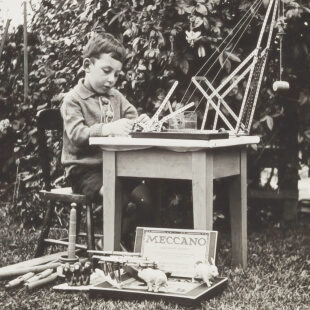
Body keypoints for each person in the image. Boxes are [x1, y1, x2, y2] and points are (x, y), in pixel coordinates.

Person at [60, 32, 152, 245]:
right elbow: (76, 134)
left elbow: (131, 116)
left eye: (117, 75)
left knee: (146, 196)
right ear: (87, 65)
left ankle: (116, 242)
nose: (111, 80)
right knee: (117, 193)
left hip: (114, 167)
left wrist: (140, 124)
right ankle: (110, 245)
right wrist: (109, 128)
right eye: (106, 71)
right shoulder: (73, 100)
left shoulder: (115, 96)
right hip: (83, 171)